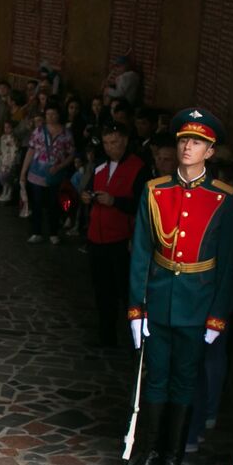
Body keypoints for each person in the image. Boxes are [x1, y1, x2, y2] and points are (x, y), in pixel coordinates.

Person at [122, 108, 233, 465]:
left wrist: (217, 316)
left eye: (197, 143)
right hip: (158, 300)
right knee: (155, 379)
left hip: (197, 304)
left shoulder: (224, 200)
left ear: (210, 151)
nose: (187, 147)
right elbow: (141, 251)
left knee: (185, 381)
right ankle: (149, 453)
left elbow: (226, 265)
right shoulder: (156, 191)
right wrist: (136, 308)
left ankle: (173, 459)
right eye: (183, 140)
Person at [81, 125, 145, 346]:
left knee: (125, 291)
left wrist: (115, 201)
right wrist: (87, 196)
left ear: (125, 141)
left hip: (121, 239)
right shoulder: (100, 164)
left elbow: (141, 204)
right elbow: (88, 187)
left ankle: (133, 338)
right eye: (107, 143)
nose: (110, 148)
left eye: (114, 142)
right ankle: (106, 334)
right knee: (102, 290)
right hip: (97, 237)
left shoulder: (138, 167)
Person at [19, 101, 74, 244]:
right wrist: (23, 171)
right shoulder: (38, 131)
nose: (50, 116)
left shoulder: (66, 133)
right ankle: (36, 231)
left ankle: (53, 232)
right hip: (36, 173)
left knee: (53, 204)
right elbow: (30, 150)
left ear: (58, 115)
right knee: (36, 203)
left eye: (53, 114)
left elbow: (71, 154)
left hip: (55, 174)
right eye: (48, 114)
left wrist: (60, 166)